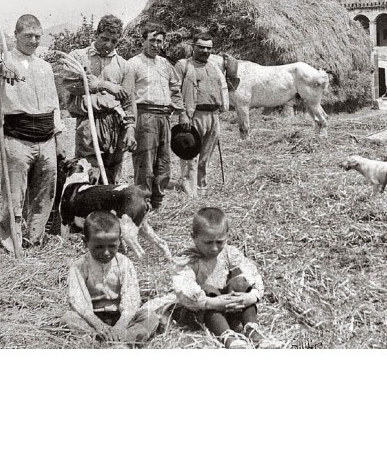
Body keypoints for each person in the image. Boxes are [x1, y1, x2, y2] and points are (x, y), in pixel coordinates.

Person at [0, 13, 65, 252]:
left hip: (46, 136)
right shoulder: (4, 61)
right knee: (15, 194)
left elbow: (54, 102)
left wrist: (58, 136)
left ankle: (34, 238)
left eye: (38, 36)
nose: (33, 41)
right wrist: (0, 67)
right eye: (28, 35)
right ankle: (11, 241)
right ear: (16, 35)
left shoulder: (45, 67)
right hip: (17, 137)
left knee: (44, 192)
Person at [171, 207, 282, 348]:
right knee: (207, 289)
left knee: (240, 283)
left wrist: (251, 296)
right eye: (208, 242)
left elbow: (250, 273)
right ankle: (228, 337)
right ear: (194, 237)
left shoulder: (229, 254)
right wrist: (212, 302)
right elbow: (186, 289)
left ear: (227, 237)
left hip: (229, 307)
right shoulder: (187, 260)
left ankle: (253, 331)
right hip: (202, 311)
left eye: (219, 242)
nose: (214, 248)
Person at [62, 211, 159, 345]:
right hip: (92, 319)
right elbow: (78, 301)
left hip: (121, 317)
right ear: (85, 242)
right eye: (99, 247)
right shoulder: (79, 266)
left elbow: (131, 299)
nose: (106, 252)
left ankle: (123, 341)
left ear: (120, 240)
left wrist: (120, 326)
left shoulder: (124, 263)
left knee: (150, 317)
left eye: (112, 246)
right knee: (68, 318)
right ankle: (98, 342)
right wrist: (99, 326)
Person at [63, 14, 136, 184]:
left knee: (112, 177)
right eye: (104, 39)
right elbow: (70, 84)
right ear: (96, 34)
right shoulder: (79, 57)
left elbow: (128, 101)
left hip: (115, 125)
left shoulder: (124, 65)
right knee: (87, 174)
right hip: (88, 123)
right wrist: (102, 85)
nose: (108, 45)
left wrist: (131, 128)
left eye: (114, 41)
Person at [124, 23, 185, 209]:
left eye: (159, 41)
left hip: (164, 117)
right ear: (143, 41)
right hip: (145, 116)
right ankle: (142, 203)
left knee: (163, 161)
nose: (155, 44)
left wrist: (180, 112)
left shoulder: (165, 64)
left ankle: (157, 201)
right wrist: (130, 124)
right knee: (145, 162)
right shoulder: (133, 64)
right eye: (152, 40)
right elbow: (128, 95)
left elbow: (175, 88)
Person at [174, 27, 229, 196]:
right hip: (193, 115)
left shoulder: (213, 67)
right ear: (193, 47)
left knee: (205, 155)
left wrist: (222, 109)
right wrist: (182, 114)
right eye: (201, 47)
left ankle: (201, 187)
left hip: (213, 116)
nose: (205, 51)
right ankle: (189, 191)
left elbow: (223, 88)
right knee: (190, 154)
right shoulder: (183, 65)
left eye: (208, 48)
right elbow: (174, 90)